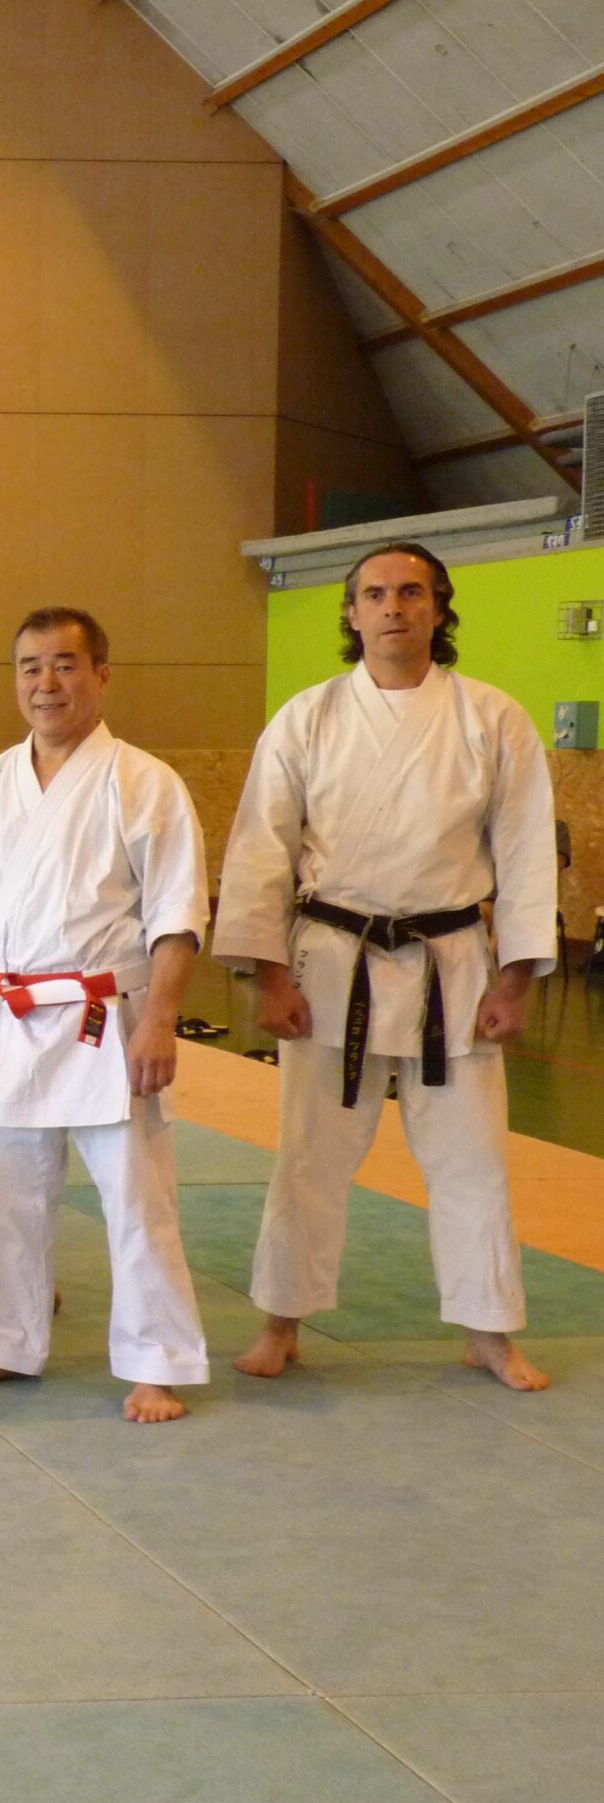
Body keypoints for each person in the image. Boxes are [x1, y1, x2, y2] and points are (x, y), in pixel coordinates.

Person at [217, 542, 557, 1391]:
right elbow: (261, 850)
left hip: (453, 968)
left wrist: (514, 981)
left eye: (411, 592)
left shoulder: (492, 718)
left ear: (439, 609)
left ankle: (488, 1330)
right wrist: (269, 977)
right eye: (375, 594)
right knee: (310, 1155)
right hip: (333, 963)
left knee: (473, 1157)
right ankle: (281, 1321)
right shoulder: (307, 717)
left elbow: (522, 857)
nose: (393, 607)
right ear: (352, 613)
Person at [0, 607, 211, 1424]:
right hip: (8, 1015)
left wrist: (161, 1020)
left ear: (101, 674)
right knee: (1, 1195)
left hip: (104, 1015)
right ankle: (5, 1344)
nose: (45, 684)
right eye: (29, 667)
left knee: (135, 1196)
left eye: (63, 665)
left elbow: (177, 914)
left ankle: (155, 1362)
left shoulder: (144, 781)